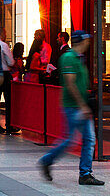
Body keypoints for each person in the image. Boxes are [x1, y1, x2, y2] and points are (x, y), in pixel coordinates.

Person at [38, 31, 103, 186]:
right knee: (70, 139)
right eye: (87, 40)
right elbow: (70, 83)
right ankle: (47, 160)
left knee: (87, 139)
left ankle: (85, 173)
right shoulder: (68, 58)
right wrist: (82, 105)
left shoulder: (79, 59)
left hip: (80, 106)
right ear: (81, 41)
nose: (89, 43)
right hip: (73, 106)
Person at [0, 27, 17, 134]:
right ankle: (9, 125)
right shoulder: (3, 45)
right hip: (4, 73)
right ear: (2, 34)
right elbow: (11, 62)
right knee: (8, 100)